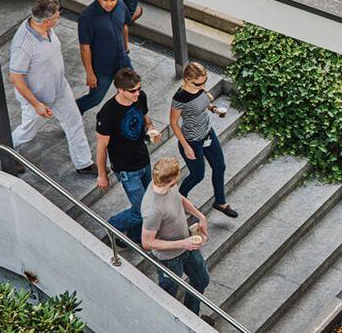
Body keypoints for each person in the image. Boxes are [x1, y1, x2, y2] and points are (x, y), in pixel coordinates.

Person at [7, 0, 96, 175]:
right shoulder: (23, 45)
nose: (59, 18)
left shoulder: (47, 29)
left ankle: (83, 163)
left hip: (59, 88)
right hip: (38, 97)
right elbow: (15, 78)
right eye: (57, 16)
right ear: (47, 21)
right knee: (27, 132)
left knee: (74, 122)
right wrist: (36, 104)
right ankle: (7, 152)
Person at [95, 68, 160, 242]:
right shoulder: (108, 113)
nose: (137, 93)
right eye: (132, 91)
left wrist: (150, 128)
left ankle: (134, 235)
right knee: (141, 210)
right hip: (125, 168)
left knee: (148, 204)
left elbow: (146, 119)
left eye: (139, 89)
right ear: (120, 90)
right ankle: (113, 227)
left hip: (143, 160)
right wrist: (102, 174)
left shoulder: (140, 97)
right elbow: (101, 147)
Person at [141, 157, 210, 316]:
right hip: (169, 259)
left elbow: (179, 198)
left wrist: (200, 217)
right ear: (170, 180)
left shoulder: (168, 186)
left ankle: (192, 315)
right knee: (168, 294)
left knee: (201, 280)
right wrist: (183, 243)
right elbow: (147, 243)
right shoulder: (153, 209)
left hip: (187, 246)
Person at [170, 62, 238, 218]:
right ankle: (180, 198)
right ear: (187, 79)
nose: (202, 86)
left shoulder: (200, 90)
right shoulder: (180, 98)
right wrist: (185, 146)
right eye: (198, 83)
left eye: (204, 82)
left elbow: (204, 103)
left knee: (220, 167)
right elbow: (173, 123)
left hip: (208, 133)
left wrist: (214, 109)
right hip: (192, 140)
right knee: (197, 175)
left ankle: (220, 202)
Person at [76, 0, 133, 115]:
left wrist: (126, 46)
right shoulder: (87, 18)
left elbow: (124, 26)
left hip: (122, 60)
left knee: (133, 88)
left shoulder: (120, 6)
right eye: (105, 0)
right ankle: (72, 112)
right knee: (94, 99)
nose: (110, 4)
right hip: (102, 68)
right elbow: (85, 47)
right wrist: (90, 73)